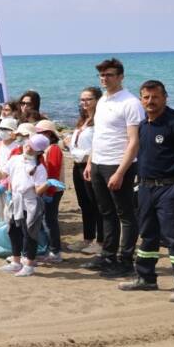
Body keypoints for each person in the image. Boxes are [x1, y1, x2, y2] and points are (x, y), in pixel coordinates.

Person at [118, 80, 174, 302]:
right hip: (145, 188)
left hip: (170, 189)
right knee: (148, 235)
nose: (150, 101)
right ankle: (146, 278)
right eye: (146, 97)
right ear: (141, 99)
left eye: (155, 97)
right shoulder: (143, 125)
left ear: (164, 98)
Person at [84, 57, 145, 278]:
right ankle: (108, 255)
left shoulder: (130, 103)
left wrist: (120, 171)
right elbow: (99, 135)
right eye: (101, 75)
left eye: (109, 75)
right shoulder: (102, 101)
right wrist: (91, 162)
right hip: (99, 163)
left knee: (125, 214)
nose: (104, 78)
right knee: (106, 212)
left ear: (120, 77)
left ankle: (126, 260)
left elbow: (134, 142)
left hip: (119, 165)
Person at [0, 134, 51, 277]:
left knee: (29, 233)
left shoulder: (39, 168)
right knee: (13, 231)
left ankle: (29, 264)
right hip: (15, 200)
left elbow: (37, 191)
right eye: (27, 144)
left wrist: (47, 184)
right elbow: (1, 176)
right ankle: (16, 261)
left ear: (39, 152)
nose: (27, 147)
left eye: (32, 147)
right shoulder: (15, 159)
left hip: (30, 202)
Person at [65, 87, 101, 253]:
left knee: (97, 203)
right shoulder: (83, 120)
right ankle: (88, 238)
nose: (84, 102)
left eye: (88, 99)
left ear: (97, 100)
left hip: (91, 165)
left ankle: (101, 241)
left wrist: (89, 163)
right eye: (82, 99)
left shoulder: (100, 120)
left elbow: (97, 145)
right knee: (84, 203)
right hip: (77, 165)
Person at [34, 119, 65, 262]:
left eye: (41, 133)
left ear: (49, 134)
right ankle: (50, 248)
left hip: (52, 190)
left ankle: (55, 251)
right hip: (46, 188)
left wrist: (49, 192)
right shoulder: (45, 148)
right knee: (46, 219)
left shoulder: (53, 148)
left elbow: (53, 172)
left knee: (49, 220)